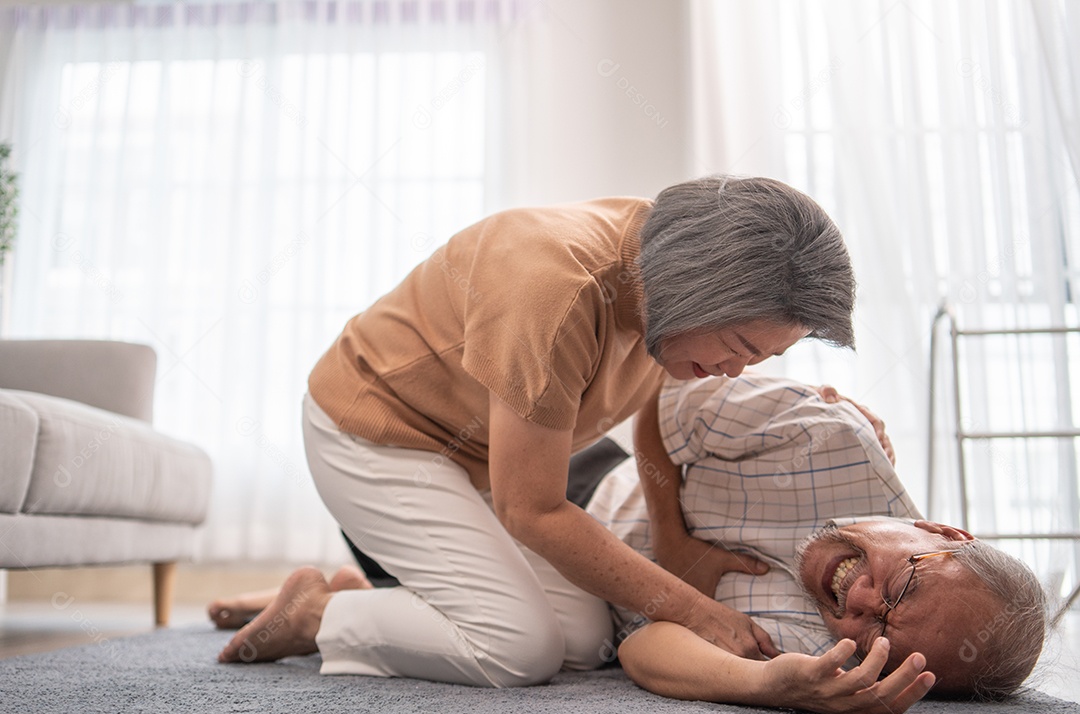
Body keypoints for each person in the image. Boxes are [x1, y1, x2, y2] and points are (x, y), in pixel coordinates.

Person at [215, 175, 867, 687]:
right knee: (517, 649)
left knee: (583, 641)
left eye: (762, 359)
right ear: (700, 289)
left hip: (479, 459)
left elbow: (657, 406)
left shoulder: (664, 273)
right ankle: (319, 615)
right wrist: (693, 609)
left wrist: (672, 537)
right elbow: (531, 508)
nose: (733, 372)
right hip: (374, 431)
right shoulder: (553, 291)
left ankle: (370, 594)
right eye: (738, 346)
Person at [586, 373, 1048, 714]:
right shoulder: (831, 435)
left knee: (578, 642)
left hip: (597, 605)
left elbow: (640, 646)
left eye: (881, 638)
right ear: (944, 532)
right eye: (905, 585)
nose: (861, 599)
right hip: (584, 496)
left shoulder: (829, 653)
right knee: (538, 650)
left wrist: (766, 683)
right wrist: (673, 542)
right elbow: (661, 403)